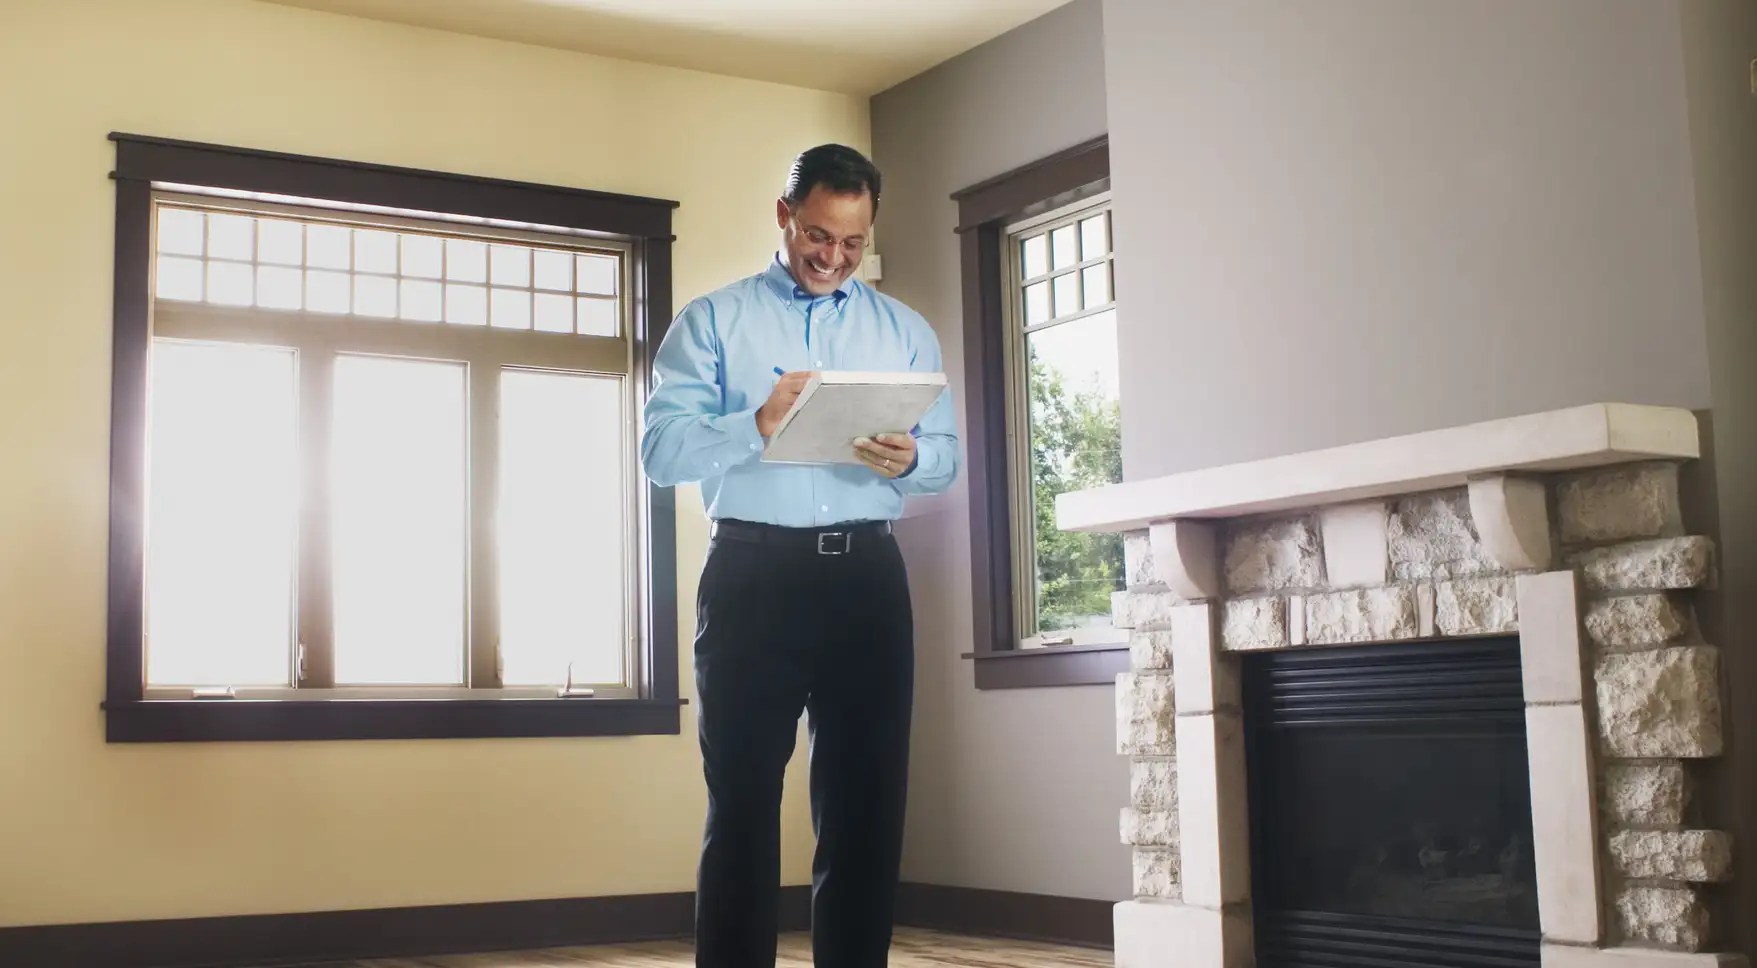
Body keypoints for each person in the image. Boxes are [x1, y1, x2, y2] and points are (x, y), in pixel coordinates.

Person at [640, 144, 959, 968]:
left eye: (852, 243)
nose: (833, 257)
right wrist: (753, 423)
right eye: (818, 235)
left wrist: (910, 460)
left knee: (866, 804)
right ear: (785, 216)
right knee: (742, 802)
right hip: (752, 576)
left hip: (866, 577)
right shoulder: (714, 321)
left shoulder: (905, 331)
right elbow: (660, 454)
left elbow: (948, 455)